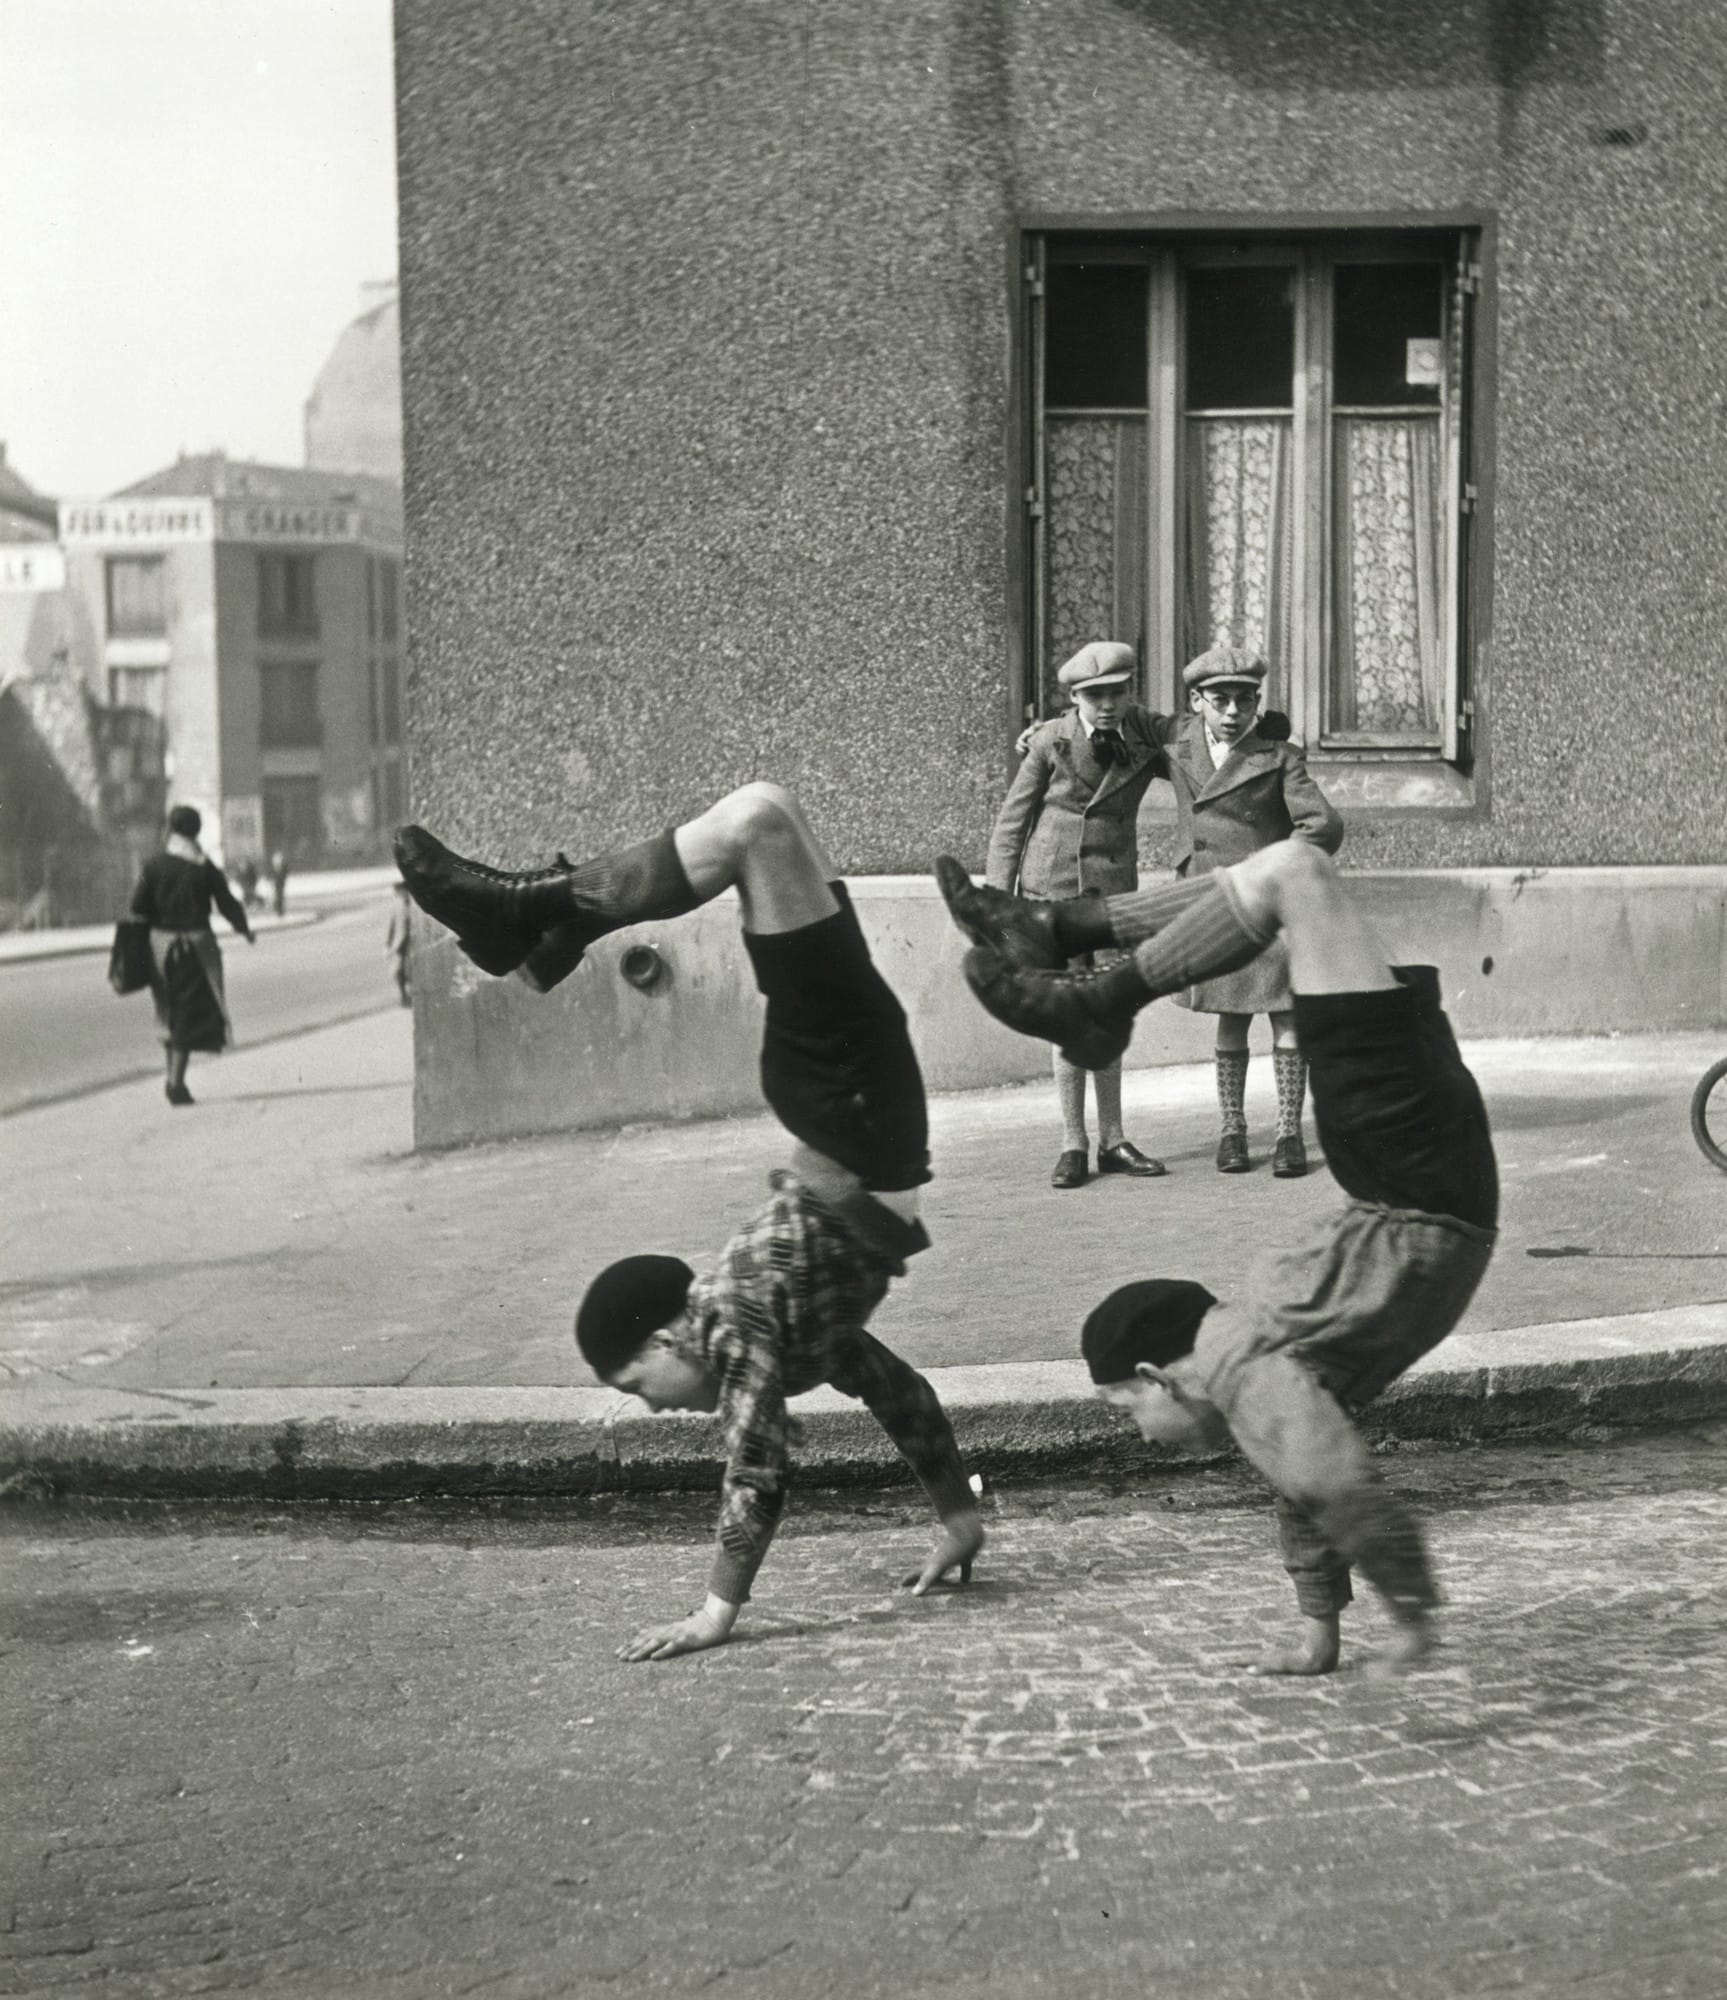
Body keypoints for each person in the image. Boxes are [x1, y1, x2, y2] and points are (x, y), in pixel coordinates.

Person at [392, 782, 985, 1662]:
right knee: (764, 820)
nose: (656, 1411)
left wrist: (716, 1612)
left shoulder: (739, 1322)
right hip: (854, 1105)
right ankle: (544, 926)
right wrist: (958, 1517)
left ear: (672, 1338)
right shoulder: (794, 1334)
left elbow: (756, 1467)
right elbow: (900, 1393)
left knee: (757, 822)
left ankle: (536, 917)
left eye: (636, 1386)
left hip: (852, 1102)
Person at [934, 838, 1498, 1675]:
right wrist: (1325, 1628)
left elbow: (1328, 1482)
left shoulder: (1235, 1362)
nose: (1137, 1431)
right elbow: (1307, 1481)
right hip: (1402, 1165)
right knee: (1292, 875)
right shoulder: (1249, 1365)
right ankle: (1062, 943)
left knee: (1294, 875)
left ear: (1162, 1375)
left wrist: (1408, 1609)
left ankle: (1086, 984)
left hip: (1414, 1165)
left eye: (1126, 1408)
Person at [987, 642, 1174, 1188]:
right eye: (1095, 696)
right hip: (1053, 891)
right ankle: (1073, 1142)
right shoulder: (1050, 741)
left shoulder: (1143, 740)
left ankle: (1114, 1139)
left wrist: (1267, 734)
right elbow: (1010, 824)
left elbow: (1195, 746)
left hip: (1111, 895)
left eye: (1118, 692)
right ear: (1074, 698)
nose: (1108, 705)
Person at [1164, 645, 1343, 1179]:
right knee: (1231, 1016)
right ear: (1198, 701)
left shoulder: (1279, 756)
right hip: (1213, 901)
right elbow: (1121, 723)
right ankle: (1233, 1131)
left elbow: (1324, 826)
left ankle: (1289, 1132)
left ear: (1257, 703)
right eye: (1220, 700)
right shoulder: (1179, 748)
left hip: (1268, 905)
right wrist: (1043, 732)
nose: (1233, 712)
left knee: (1285, 1014)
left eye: (1245, 700)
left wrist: (1278, 865)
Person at [128, 804, 254, 1106]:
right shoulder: (203, 866)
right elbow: (226, 903)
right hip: (196, 949)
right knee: (186, 1015)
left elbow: (137, 907)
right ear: (196, 832)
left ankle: (174, 1079)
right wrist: (244, 930)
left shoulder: (153, 865)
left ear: (171, 830)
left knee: (170, 1011)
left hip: (160, 948)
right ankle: (175, 1083)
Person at [385, 881, 414, 1006]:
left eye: (403, 892)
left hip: (411, 944)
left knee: (410, 970)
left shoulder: (413, 906)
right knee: (398, 971)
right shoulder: (396, 906)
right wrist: (387, 944)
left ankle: (408, 995)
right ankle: (403, 996)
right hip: (399, 945)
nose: (401, 894)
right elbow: (390, 926)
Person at [268, 849, 289, 918]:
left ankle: (279, 910)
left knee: (279, 896)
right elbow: (270, 874)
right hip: (275, 883)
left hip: (280, 883)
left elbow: (285, 873)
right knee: (275, 895)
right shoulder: (273, 867)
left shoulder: (283, 867)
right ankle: (277, 909)